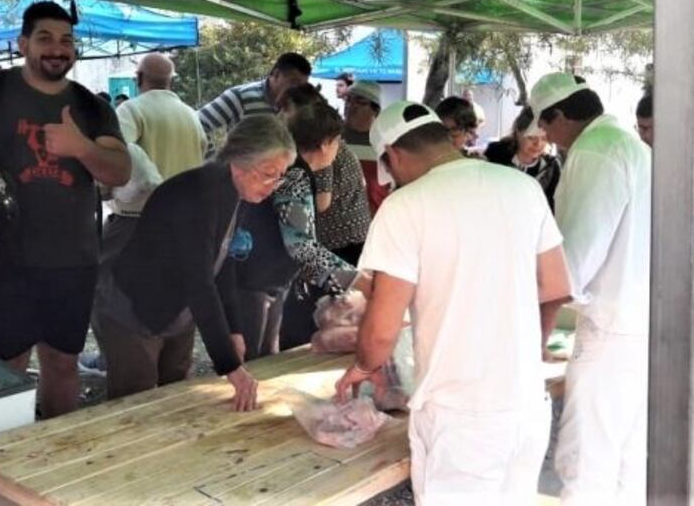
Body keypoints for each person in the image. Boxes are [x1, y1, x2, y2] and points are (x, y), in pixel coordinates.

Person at [334, 100, 572, 505]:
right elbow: (555, 286)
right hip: (526, 407)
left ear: (392, 155)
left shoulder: (405, 207)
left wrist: (364, 366)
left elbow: (381, 327)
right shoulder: (522, 187)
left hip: (460, 420)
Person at [0, 0, 131, 418]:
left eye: (66, 41)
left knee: (62, 364)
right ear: (23, 43)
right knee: (5, 368)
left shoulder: (92, 107)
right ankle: (2, 455)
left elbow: (119, 171)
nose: (57, 49)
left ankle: (58, 450)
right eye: (45, 39)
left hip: (71, 260)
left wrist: (81, 147)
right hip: (2, 258)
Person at [103, 115, 295, 408]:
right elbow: (200, 282)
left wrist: (233, 329)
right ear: (240, 162)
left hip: (179, 311)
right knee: (136, 405)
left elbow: (225, 263)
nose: (274, 185)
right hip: (137, 309)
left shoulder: (237, 192)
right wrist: (230, 366)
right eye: (269, 173)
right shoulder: (197, 195)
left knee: (179, 399)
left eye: (280, 175)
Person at [528, 72, 651, 504]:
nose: (546, 136)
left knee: (587, 460)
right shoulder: (628, 146)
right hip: (640, 323)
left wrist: (534, 329)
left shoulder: (596, 150)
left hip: (612, 327)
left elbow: (574, 263)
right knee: (628, 459)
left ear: (560, 115)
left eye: (545, 125)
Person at [88, 52, 206, 374]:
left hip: (136, 222)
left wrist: (108, 190)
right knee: (176, 302)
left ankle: (114, 360)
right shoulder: (190, 115)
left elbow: (119, 156)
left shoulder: (131, 109)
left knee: (108, 296)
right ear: (170, 81)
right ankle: (171, 370)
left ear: (139, 79)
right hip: (184, 225)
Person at [274, 94, 359, 351]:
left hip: (273, 279)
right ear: (325, 143)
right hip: (261, 282)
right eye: (337, 141)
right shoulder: (296, 175)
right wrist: (353, 278)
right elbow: (300, 246)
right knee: (263, 357)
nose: (337, 148)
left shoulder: (295, 170)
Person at [197, 52, 311, 154]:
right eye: (293, 82)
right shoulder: (240, 96)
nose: (298, 89)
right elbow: (197, 124)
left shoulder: (297, 106)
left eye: (302, 86)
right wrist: (213, 161)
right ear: (276, 74)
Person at [485, 106, 562, 209]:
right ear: (518, 132)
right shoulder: (495, 155)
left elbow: (552, 206)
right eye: (531, 137)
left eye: (544, 139)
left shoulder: (551, 167)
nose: (538, 144)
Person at [342, 81, 390, 215]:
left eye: (360, 101)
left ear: (376, 109)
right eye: (348, 99)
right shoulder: (332, 138)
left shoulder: (385, 142)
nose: (351, 105)